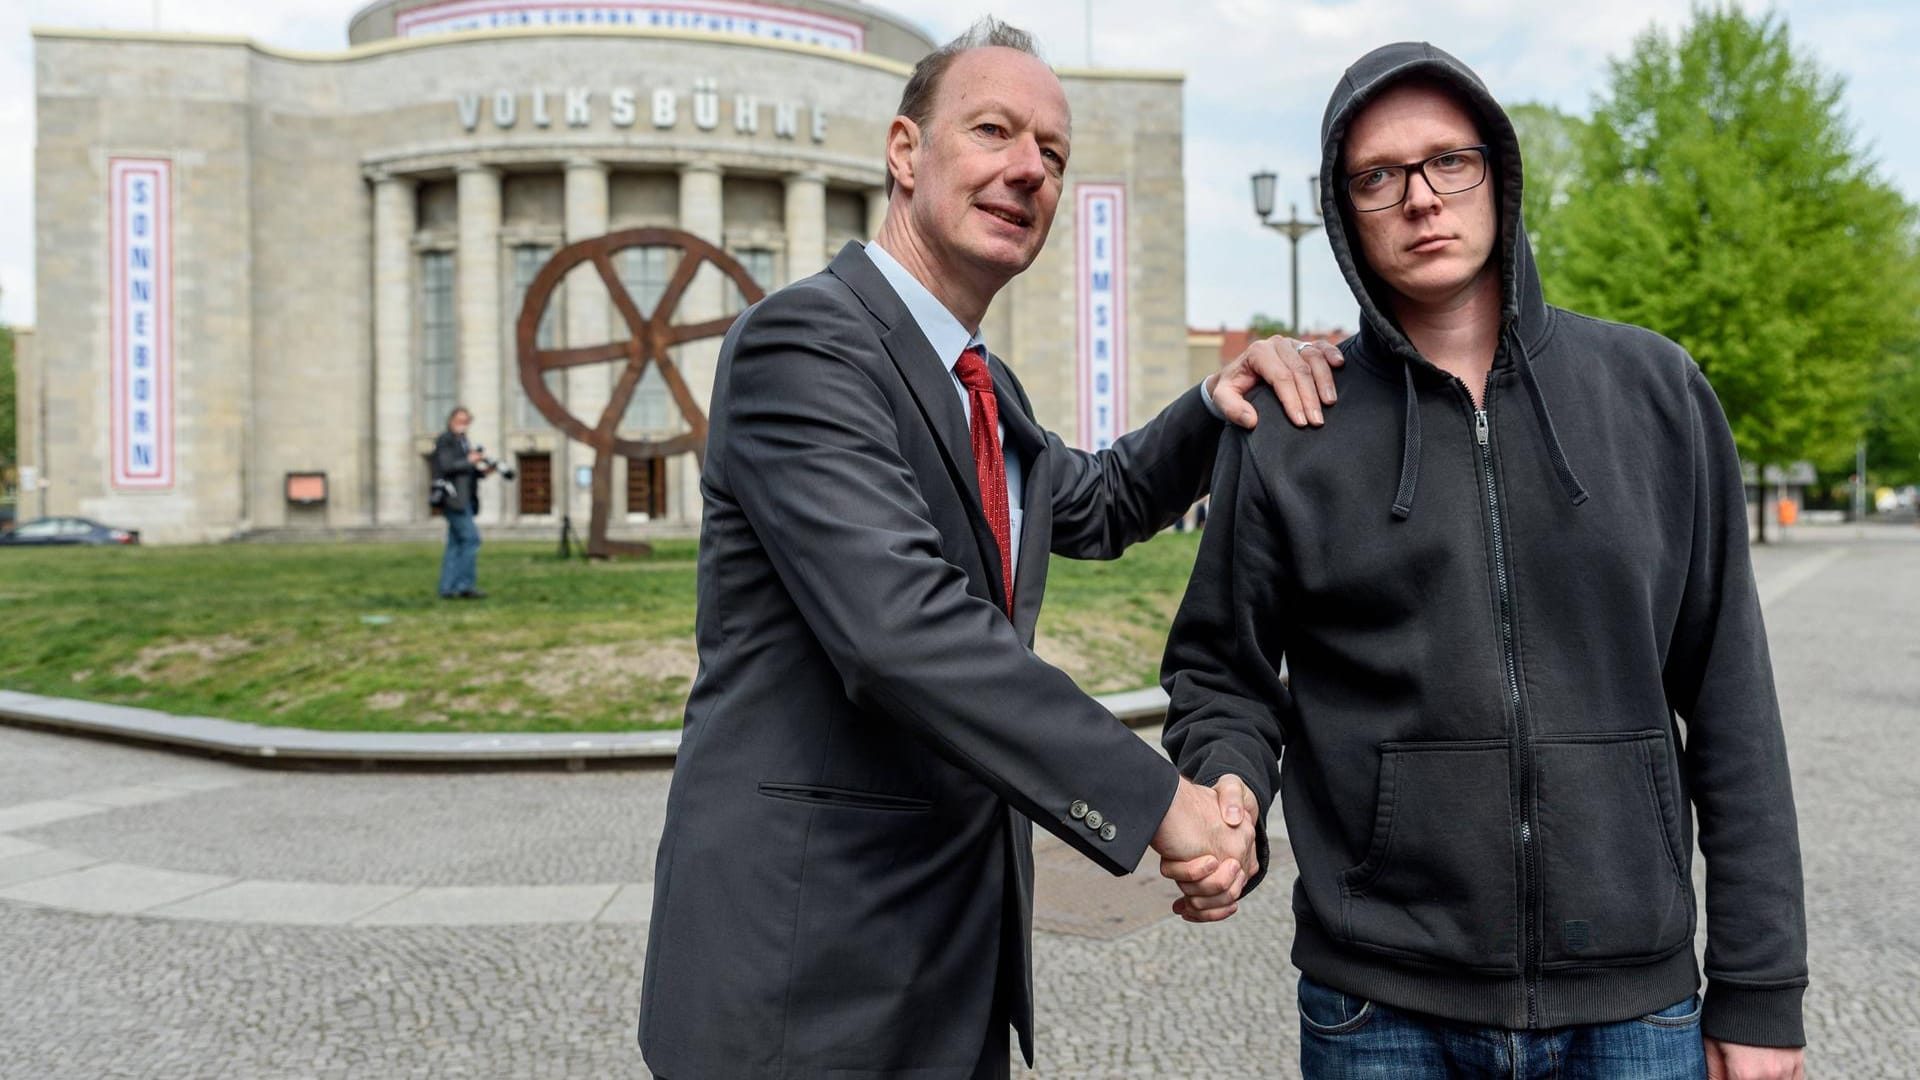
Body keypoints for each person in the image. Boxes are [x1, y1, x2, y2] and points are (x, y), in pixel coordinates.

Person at [637, 18, 1343, 1080]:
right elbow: (901, 629)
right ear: (905, 151)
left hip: (950, 966)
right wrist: (1166, 804)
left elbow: (1092, 504)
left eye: (1053, 155)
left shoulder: (981, 386)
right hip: (806, 977)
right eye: (996, 131)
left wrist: (1214, 401)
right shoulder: (805, 343)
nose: (1028, 170)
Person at [1161, 42, 1808, 1080]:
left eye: (1447, 162)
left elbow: (1732, 706)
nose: (1420, 198)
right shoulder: (1292, 425)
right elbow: (1221, 673)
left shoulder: (1656, 394)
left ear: (1498, 176)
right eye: (1379, 176)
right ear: (1342, 210)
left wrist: (1762, 991)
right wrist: (1229, 783)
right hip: (1380, 1009)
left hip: (1636, 1009)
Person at [432, 406, 491, 600]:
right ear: (451, 421)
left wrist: (482, 472)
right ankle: (464, 585)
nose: (463, 424)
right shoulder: (446, 440)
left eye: (466, 421)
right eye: (459, 420)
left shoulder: (463, 441)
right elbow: (447, 465)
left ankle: (447, 588)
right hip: (453, 499)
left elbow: (465, 471)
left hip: (464, 499)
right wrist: (470, 460)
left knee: (455, 544)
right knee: (471, 540)